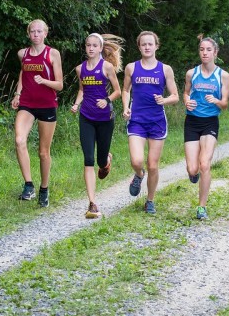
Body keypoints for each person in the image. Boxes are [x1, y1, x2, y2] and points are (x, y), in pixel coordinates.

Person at [121, 31, 179, 215]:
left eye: (150, 44)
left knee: (153, 165)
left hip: (157, 122)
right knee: (137, 161)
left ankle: (150, 201)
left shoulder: (165, 69)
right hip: (137, 120)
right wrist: (125, 107)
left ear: (156, 46)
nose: (147, 47)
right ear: (139, 47)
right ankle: (139, 174)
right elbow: (125, 90)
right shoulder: (131, 68)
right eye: (143, 44)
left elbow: (175, 96)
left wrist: (164, 100)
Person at [11, 19, 63, 207]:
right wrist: (18, 93)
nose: (35, 34)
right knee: (19, 140)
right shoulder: (22, 54)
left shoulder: (52, 54)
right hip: (27, 104)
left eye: (39, 31)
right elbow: (23, 74)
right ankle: (29, 185)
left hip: (47, 105)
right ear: (28, 34)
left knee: (43, 152)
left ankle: (44, 189)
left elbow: (60, 84)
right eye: (32, 31)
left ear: (45, 34)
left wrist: (44, 81)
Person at [70, 33, 123, 219]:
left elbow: (118, 91)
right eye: (88, 45)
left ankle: (106, 160)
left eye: (94, 45)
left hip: (105, 118)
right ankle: (92, 203)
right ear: (85, 48)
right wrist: (76, 104)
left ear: (100, 48)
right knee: (88, 158)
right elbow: (82, 89)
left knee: (100, 160)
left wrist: (107, 100)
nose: (91, 48)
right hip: (86, 117)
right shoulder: (80, 69)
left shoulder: (107, 67)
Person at [183, 35, 229, 220]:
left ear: (215, 53)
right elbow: (185, 93)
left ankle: (202, 207)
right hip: (192, 122)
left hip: (210, 121)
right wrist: (187, 102)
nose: (205, 52)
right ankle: (193, 174)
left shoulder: (222, 75)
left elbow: (225, 104)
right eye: (202, 49)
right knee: (192, 168)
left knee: (204, 164)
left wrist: (217, 101)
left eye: (208, 50)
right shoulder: (191, 73)